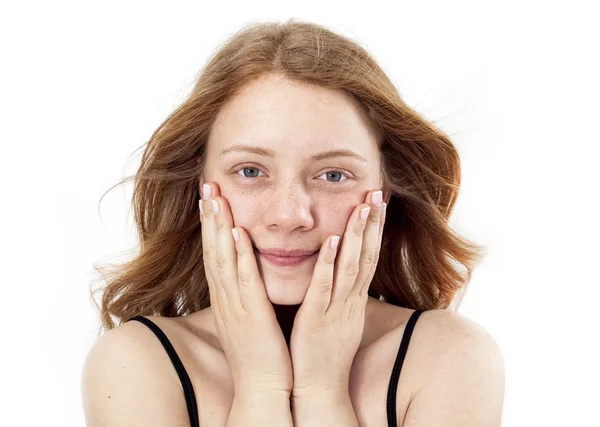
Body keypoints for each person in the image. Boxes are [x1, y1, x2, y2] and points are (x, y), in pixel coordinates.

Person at [81, 19, 505, 427]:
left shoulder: (451, 356)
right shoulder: (134, 363)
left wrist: (323, 391)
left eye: (333, 176)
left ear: (385, 191)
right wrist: (260, 389)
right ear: (201, 184)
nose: (289, 216)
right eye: (250, 171)